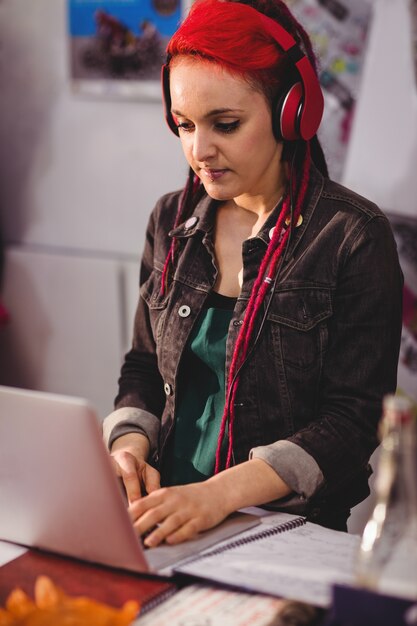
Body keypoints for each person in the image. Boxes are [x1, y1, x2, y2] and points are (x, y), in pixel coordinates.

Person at [103, 0, 403, 547]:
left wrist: (217, 494)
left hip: (287, 535)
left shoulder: (353, 235)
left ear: (293, 113)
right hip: (168, 520)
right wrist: (127, 447)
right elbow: (144, 367)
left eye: (226, 124)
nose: (199, 150)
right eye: (185, 124)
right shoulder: (170, 220)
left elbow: (352, 422)